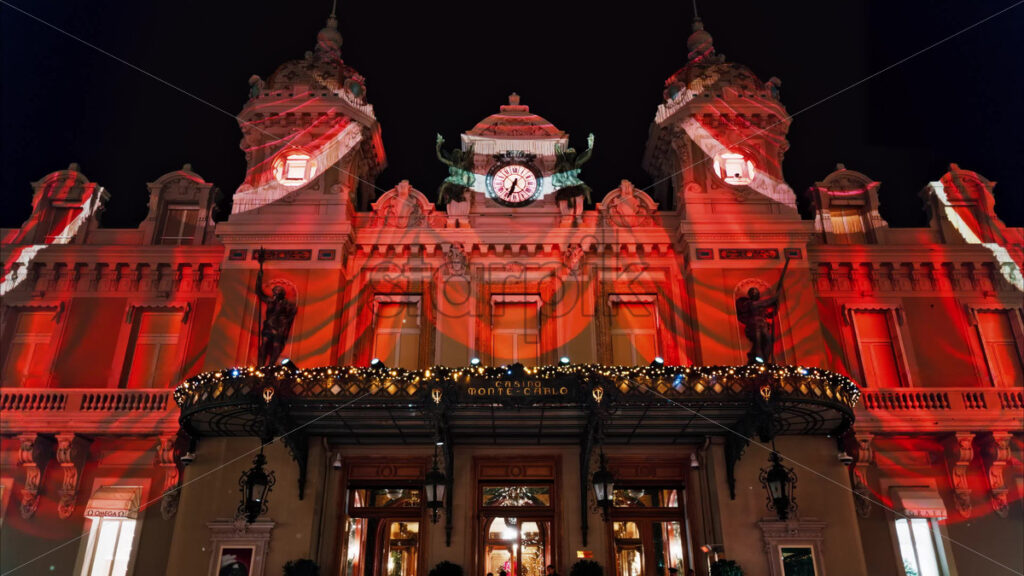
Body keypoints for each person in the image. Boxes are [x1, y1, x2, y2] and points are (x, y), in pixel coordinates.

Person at [255, 254, 298, 366]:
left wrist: (286, 322)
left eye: (277, 292)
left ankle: (271, 365)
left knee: (276, 346)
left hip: (279, 328)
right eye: (274, 292)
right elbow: (259, 292)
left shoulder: (286, 304)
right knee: (264, 344)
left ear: (281, 294)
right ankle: (260, 366)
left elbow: (291, 315)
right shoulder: (270, 301)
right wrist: (260, 274)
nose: (274, 294)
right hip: (268, 326)